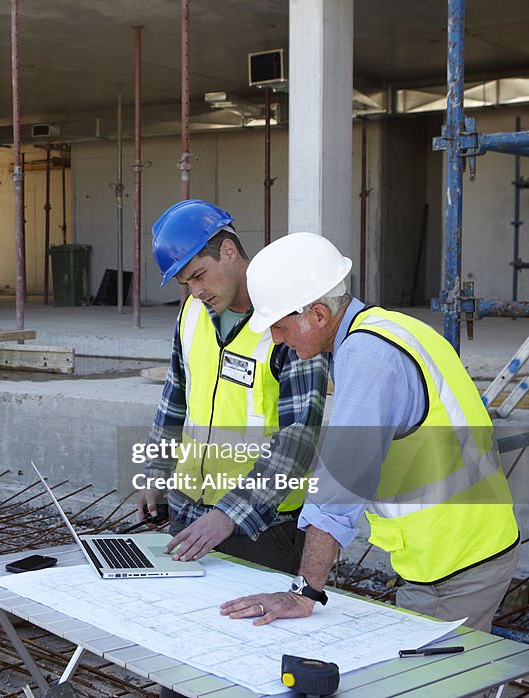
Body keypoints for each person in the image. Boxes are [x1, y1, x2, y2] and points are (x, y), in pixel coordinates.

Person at [220, 232, 519, 633]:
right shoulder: (392, 326)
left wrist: (304, 592)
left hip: (456, 563)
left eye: (279, 326)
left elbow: (339, 487)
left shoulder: (367, 357)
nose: (276, 339)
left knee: (427, 684)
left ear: (319, 315)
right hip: (467, 546)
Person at [138, 200, 329, 577]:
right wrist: (156, 472)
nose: (194, 291)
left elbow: (299, 437)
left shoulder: (289, 317)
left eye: (199, 275)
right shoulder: (191, 315)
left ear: (228, 251)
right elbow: (174, 403)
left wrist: (230, 513)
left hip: (260, 528)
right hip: (188, 514)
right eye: (185, 283)